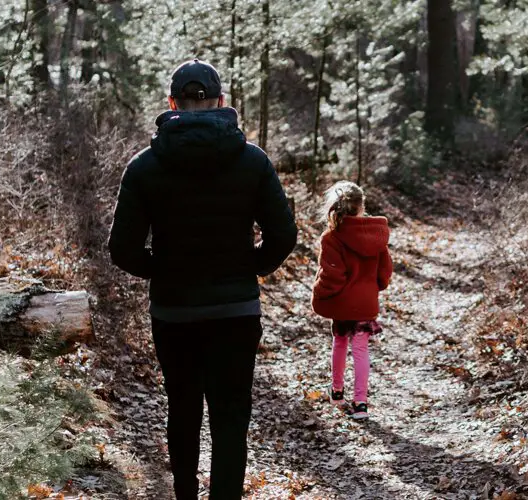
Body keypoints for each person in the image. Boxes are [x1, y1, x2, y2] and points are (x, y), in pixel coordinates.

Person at [107, 59, 297, 499]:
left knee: (183, 409)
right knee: (231, 416)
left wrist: (164, 269)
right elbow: (284, 234)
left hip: (174, 312)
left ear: (172, 103)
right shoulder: (252, 161)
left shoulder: (145, 167)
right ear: (221, 102)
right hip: (235, 311)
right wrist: (250, 267)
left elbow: (122, 250)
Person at [311, 181, 393, 420]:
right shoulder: (376, 235)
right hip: (365, 303)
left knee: (339, 343)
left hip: (341, 303)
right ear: (362, 206)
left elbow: (332, 276)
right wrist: (371, 288)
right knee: (360, 350)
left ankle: (337, 392)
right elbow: (385, 272)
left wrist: (319, 293)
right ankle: (361, 404)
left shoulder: (332, 238)